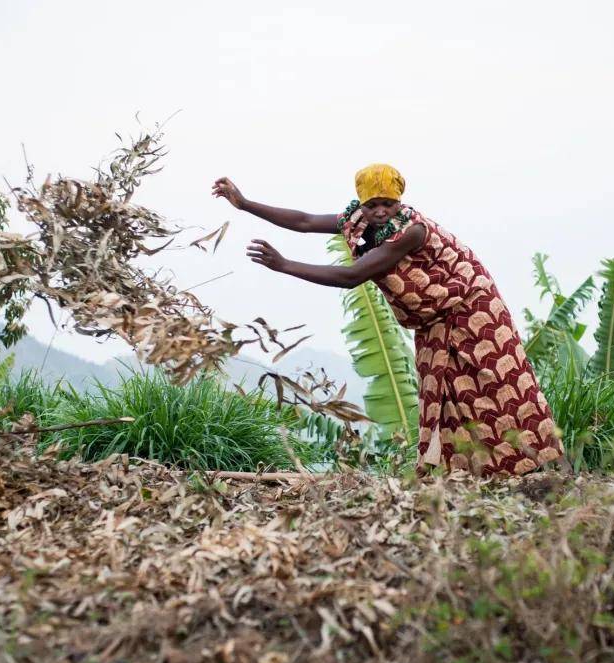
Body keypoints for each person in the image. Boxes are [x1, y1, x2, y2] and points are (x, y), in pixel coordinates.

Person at [213, 164, 564, 475]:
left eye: (388, 204)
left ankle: (548, 464)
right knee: (449, 393)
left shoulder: (411, 231)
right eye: (372, 205)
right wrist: (244, 204)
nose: (380, 212)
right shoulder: (357, 220)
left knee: (499, 386)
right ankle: (476, 472)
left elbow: (352, 277)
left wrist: (285, 265)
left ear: (400, 201)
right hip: (436, 318)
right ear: (361, 203)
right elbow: (304, 221)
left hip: (472, 308)